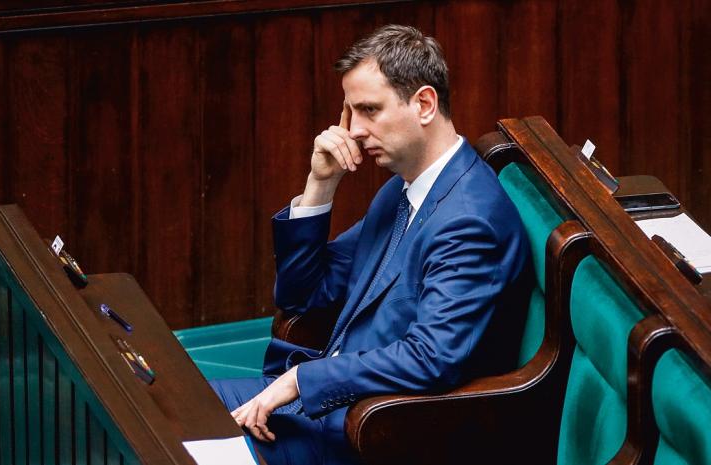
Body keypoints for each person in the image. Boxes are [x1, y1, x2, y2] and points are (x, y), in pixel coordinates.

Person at [210, 24, 532, 465]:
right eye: (350, 111)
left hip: (373, 432)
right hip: (328, 406)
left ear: (424, 104)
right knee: (172, 404)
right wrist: (320, 184)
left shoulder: (470, 222)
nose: (354, 130)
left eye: (369, 110)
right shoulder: (404, 188)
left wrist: (302, 380)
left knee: (187, 441)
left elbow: (430, 356)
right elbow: (302, 295)